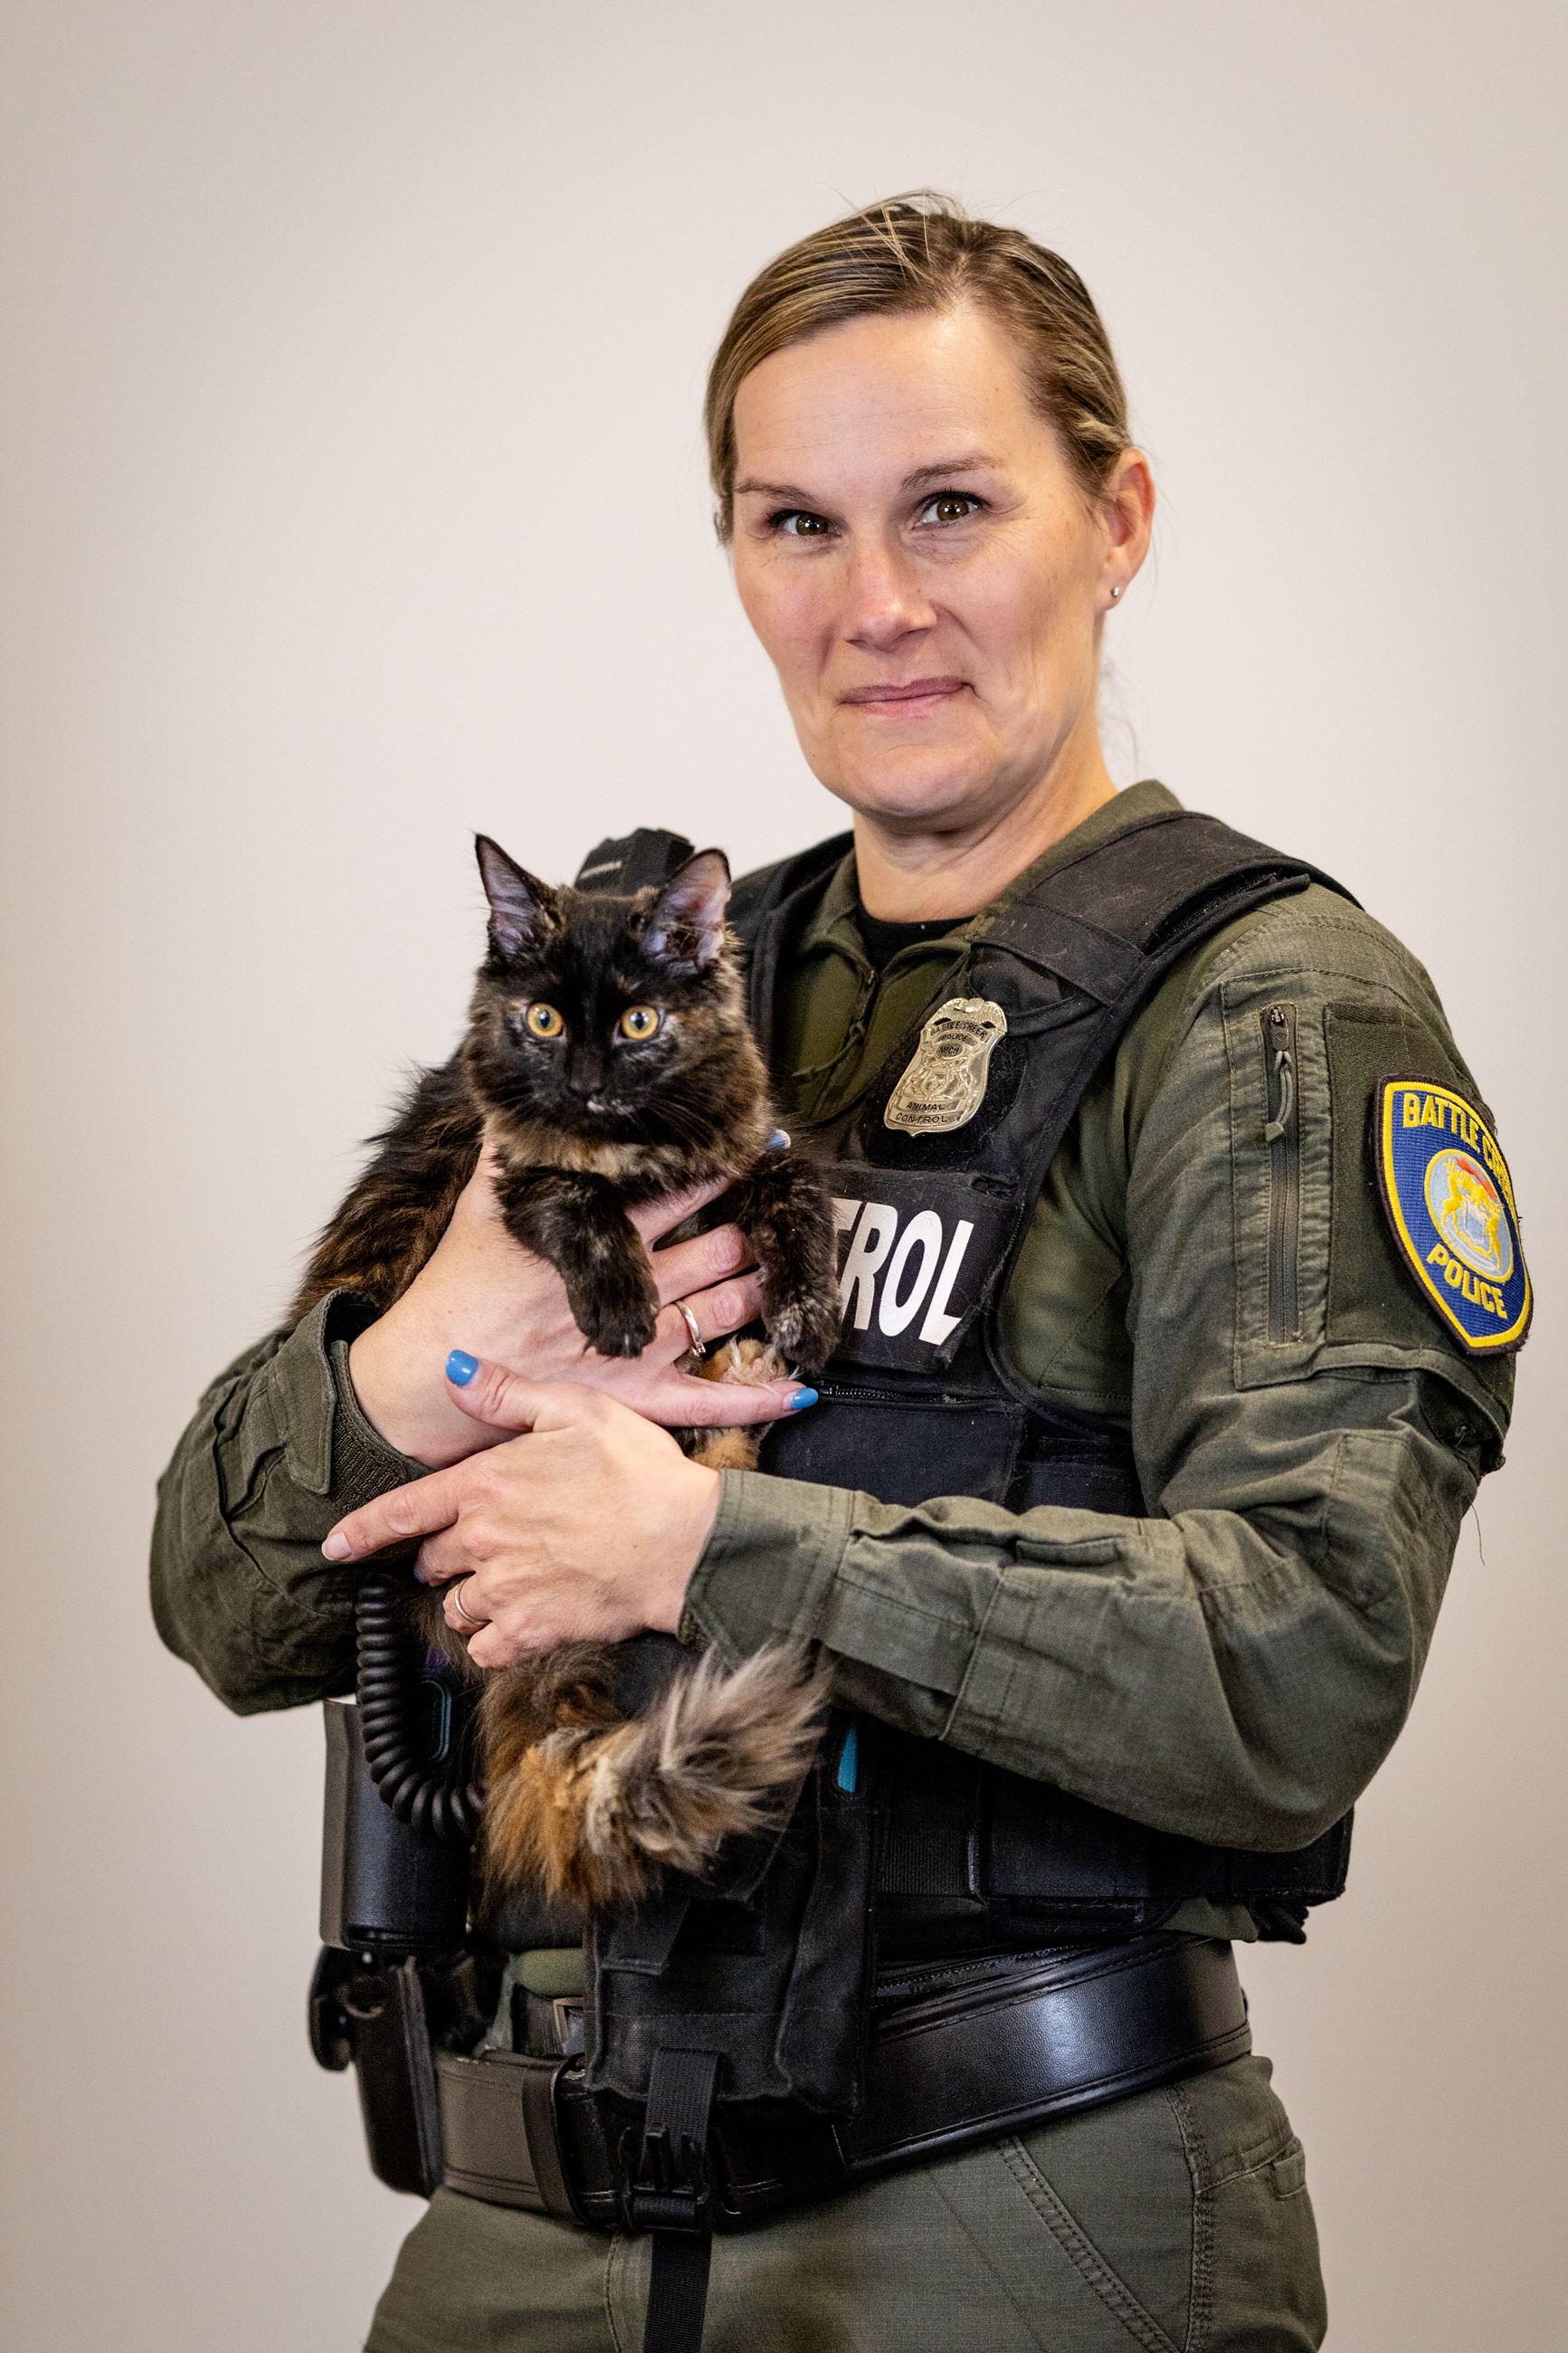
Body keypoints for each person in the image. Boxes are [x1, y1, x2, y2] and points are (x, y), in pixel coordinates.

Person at [151, 195, 1526, 2353]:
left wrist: (709, 1545)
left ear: (1119, 515)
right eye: (797, 523)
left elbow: (1304, 1672)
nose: (874, 605)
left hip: (1007, 2221)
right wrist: (425, 1350)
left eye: (951, 508)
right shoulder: (650, 992)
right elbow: (215, 1599)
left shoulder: (1267, 1015)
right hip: (530, 2226)